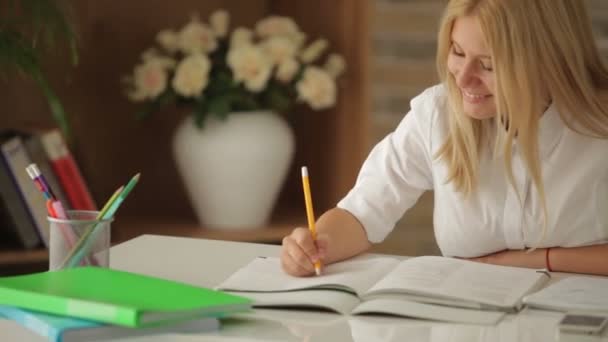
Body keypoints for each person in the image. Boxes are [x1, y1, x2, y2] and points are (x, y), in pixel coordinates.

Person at [281, 0, 608, 277]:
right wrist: (314, 245)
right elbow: (360, 215)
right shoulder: (437, 114)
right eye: (457, 51)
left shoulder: (598, 129)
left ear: (546, 62)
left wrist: (536, 261)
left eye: (488, 65)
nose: (464, 78)